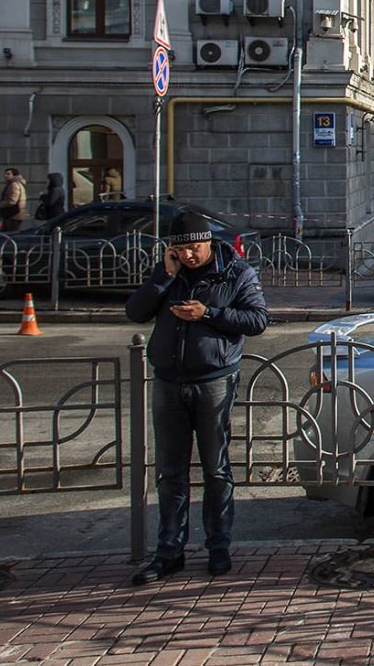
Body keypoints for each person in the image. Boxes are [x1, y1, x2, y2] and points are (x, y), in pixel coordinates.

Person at [125, 210, 269, 585]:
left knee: (216, 469)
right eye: (181, 249)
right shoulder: (170, 275)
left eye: (195, 248)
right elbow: (135, 312)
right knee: (169, 473)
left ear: (208, 242)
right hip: (169, 382)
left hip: (214, 381)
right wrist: (164, 276)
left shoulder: (235, 273)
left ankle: (218, 547)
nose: (190, 256)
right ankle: (168, 551)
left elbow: (257, 320)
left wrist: (208, 313)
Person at [0, 167, 28, 232]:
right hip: (14, 214)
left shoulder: (14, 185)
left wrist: (2, 204)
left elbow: (12, 201)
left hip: (13, 214)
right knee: (8, 234)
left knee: (10, 234)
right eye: (5, 174)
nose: (5, 176)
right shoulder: (15, 184)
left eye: (8, 174)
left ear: (14, 175)